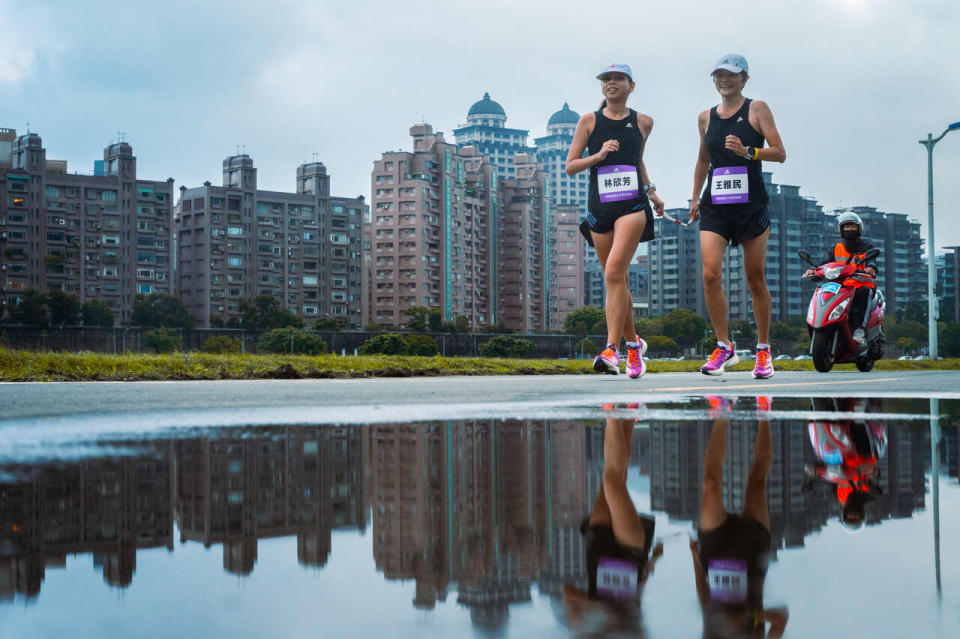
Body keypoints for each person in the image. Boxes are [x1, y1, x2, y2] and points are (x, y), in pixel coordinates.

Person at [688, 54, 786, 378]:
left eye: (731, 75)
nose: (724, 80)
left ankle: (762, 349)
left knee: (755, 279)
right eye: (718, 75)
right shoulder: (705, 117)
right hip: (715, 203)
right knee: (710, 273)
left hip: (750, 204)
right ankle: (723, 346)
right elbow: (703, 160)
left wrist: (748, 152)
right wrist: (694, 199)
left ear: (744, 79)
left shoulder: (757, 109)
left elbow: (780, 152)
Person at [567, 63, 665, 379]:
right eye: (606, 80)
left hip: (632, 207)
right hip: (600, 208)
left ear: (631, 86)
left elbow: (637, 161)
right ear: (602, 87)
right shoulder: (589, 121)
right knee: (617, 281)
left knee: (613, 271)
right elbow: (571, 166)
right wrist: (599, 156)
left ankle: (611, 350)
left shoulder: (644, 122)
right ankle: (634, 347)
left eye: (617, 79)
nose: (611, 84)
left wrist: (652, 193)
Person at [690, 398, 788, 637]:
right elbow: (781, 618)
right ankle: (764, 411)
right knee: (756, 480)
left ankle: (723, 410)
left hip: (715, 554)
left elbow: (706, 605)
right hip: (752, 556)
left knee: (710, 484)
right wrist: (749, 616)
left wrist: (695, 558)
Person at [563, 416, 663, 634]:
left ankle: (627, 416)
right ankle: (612, 413)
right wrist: (652, 559)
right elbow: (637, 596)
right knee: (613, 482)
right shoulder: (630, 631)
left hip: (598, 544)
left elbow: (568, 592)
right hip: (630, 551)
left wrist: (597, 607)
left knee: (617, 476)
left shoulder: (584, 632)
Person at [804, 211, 878, 344]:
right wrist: (813, 271)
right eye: (846, 226)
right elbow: (826, 263)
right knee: (822, 292)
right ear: (841, 229)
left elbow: (872, 260)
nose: (849, 229)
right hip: (839, 287)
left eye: (852, 226)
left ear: (859, 228)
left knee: (864, 292)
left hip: (860, 285)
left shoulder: (867, 246)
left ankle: (860, 329)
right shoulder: (836, 248)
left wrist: (870, 267)